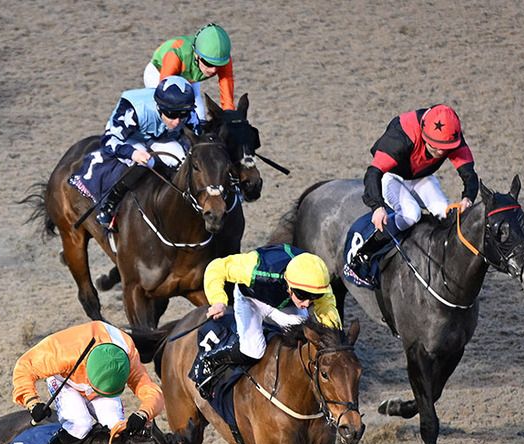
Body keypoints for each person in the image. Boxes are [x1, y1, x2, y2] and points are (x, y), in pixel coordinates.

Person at [12, 321, 164, 444]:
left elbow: (152, 391)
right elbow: (24, 366)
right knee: (79, 424)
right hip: (66, 380)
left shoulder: (128, 356)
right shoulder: (61, 353)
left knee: (116, 427)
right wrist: (32, 401)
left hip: (100, 377)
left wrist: (143, 413)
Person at [345, 104, 480, 277]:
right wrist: (377, 207)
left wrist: (468, 198)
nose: (440, 151)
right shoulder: (401, 136)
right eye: (435, 146)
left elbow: (469, 174)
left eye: (445, 148)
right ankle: (366, 253)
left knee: (445, 213)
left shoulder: (450, 136)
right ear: (423, 134)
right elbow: (373, 173)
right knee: (411, 214)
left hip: (421, 177)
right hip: (391, 176)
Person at [70, 76, 199, 232]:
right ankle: (109, 204)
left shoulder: (188, 112)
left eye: (183, 114)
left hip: (161, 137)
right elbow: (108, 140)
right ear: (159, 107)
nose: (177, 121)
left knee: (183, 160)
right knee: (145, 161)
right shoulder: (134, 110)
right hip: (130, 137)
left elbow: (199, 139)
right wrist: (132, 153)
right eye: (171, 114)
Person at [198, 246, 341, 383]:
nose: (307, 303)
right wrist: (218, 300)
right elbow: (217, 268)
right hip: (251, 299)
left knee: (302, 342)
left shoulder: (318, 283)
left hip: (284, 304)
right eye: (302, 295)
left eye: (314, 297)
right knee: (253, 351)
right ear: (289, 284)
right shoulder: (256, 269)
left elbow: (327, 309)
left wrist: (336, 338)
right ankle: (211, 359)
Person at [142, 24, 235, 122]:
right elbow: (165, 90)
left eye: (218, 65)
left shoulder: (223, 59)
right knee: (168, 114)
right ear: (197, 55)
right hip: (159, 73)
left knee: (200, 116)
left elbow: (226, 83)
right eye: (208, 63)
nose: (213, 70)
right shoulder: (176, 55)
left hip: (189, 77)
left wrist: (229, 113)